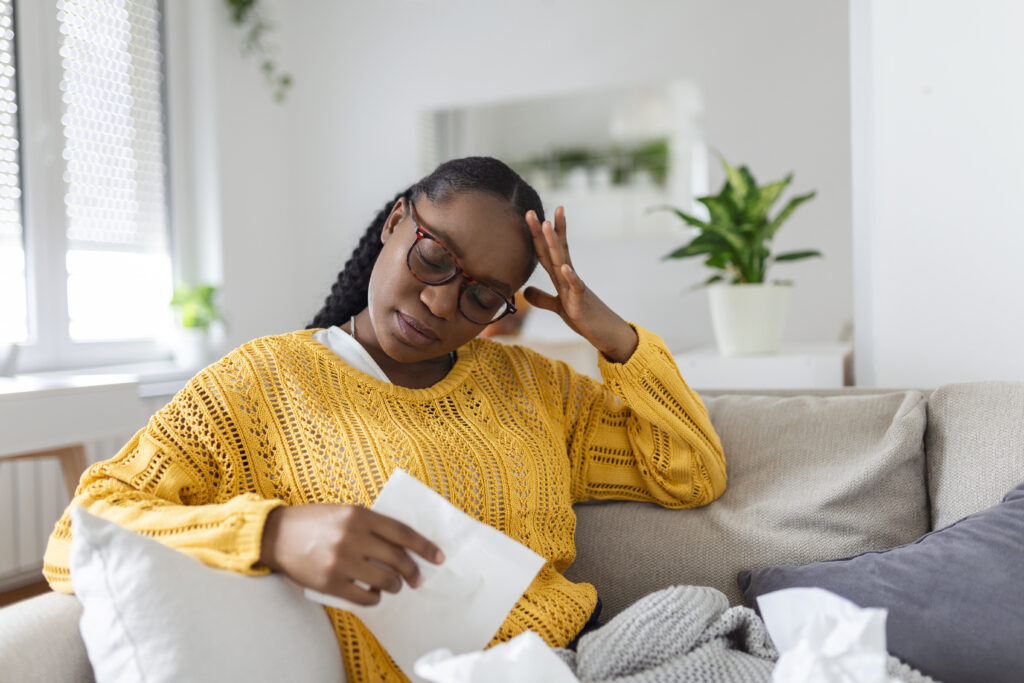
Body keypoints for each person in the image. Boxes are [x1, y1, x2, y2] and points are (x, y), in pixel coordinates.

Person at [42, 156, 727, 682]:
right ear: (395, 219)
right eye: (435, 256)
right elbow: (81, 531)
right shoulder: (263, 382)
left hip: (581, 659)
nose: (438, 301)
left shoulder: (534, 386)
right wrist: (273, 531)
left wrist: (607, 331)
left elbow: (691, 471)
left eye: (481, 294)